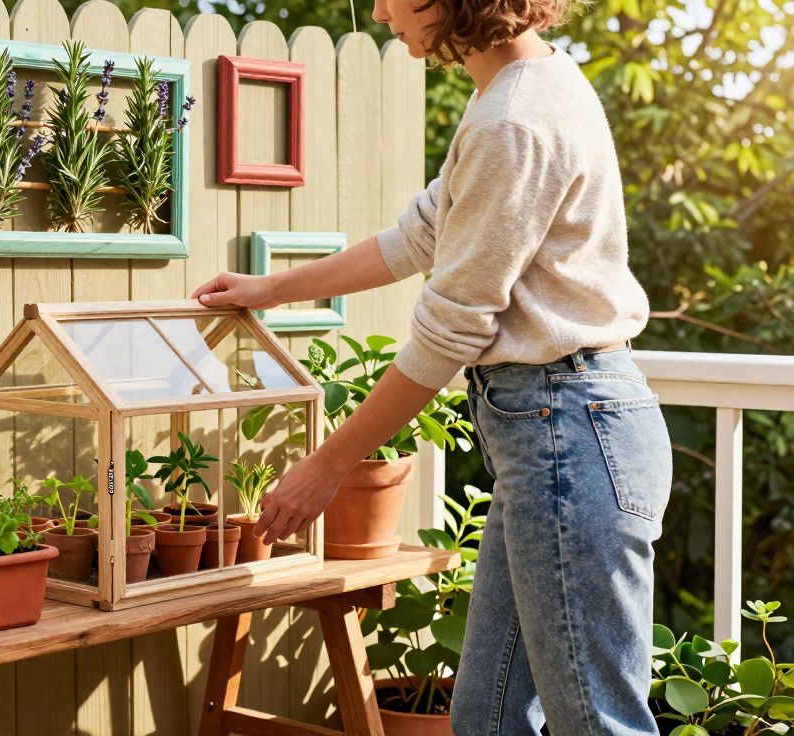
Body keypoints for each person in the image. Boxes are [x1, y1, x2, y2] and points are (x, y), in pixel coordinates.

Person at [191, 0, 673, 733]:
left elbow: (451, 328)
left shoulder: (513, 122)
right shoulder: (525, 88)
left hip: (568, 434)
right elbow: (419, 236)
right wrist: (271, 289)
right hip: (559, 433)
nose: (380, 8)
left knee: (594, 722)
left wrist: (327, 464)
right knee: (485, 717)